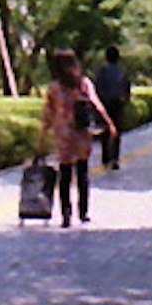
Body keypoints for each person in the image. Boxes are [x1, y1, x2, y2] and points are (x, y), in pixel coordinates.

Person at [40, 47, 100, 225]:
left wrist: (41, 138)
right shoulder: (83, 83)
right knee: (82, 172)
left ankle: (66, 214)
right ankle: (83, 212)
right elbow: (96, 104)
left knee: (65, 174)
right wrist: (110, 124)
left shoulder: (54, 87)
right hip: (81, 133)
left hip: (63, 134)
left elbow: (47, 114)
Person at [90, 46, 131, 172]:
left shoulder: (101, 71)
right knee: (117, 131)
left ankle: (105, 157)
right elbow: (127, 88)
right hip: (118, 104)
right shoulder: (122, 71)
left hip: (105, 103)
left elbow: (96, 87)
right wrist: (126, 100)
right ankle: (115, 159)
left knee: (105, 130)